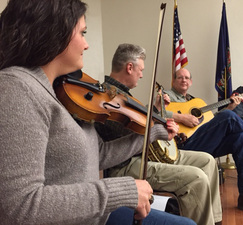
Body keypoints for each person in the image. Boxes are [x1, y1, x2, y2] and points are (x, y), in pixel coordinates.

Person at [0, 1, 197, 225]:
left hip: (94, 214)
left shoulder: (59, 90)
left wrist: (151, 133)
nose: (86, 45)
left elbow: (99, 154)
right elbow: (17, 207)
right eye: (82, 33)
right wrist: (121, 190)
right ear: (54, 31)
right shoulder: (16, 89)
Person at [95, 43, 223, 225]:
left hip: (144, 154)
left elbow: (141, 124)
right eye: (140, 70)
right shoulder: (107, 99)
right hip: (127, 164)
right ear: (129, 68)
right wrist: (157, 131)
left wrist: (156, 110)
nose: (141, 74)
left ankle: (214, 220)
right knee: (197, 178)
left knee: (208, 160)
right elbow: (131, 137)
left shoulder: (125, 96)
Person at [162, 67, 243, 217]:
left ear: (191, 82)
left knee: (242, 137)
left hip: (203, 142)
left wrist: (231, 107)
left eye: (187, 78)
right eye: (180, 77)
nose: (184, 80)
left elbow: (211, 122)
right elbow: (151, 110)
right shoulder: (166, 96)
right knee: (228, 116)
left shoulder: (193, 101)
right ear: (173, 80)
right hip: (183, 145)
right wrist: (181, 117)